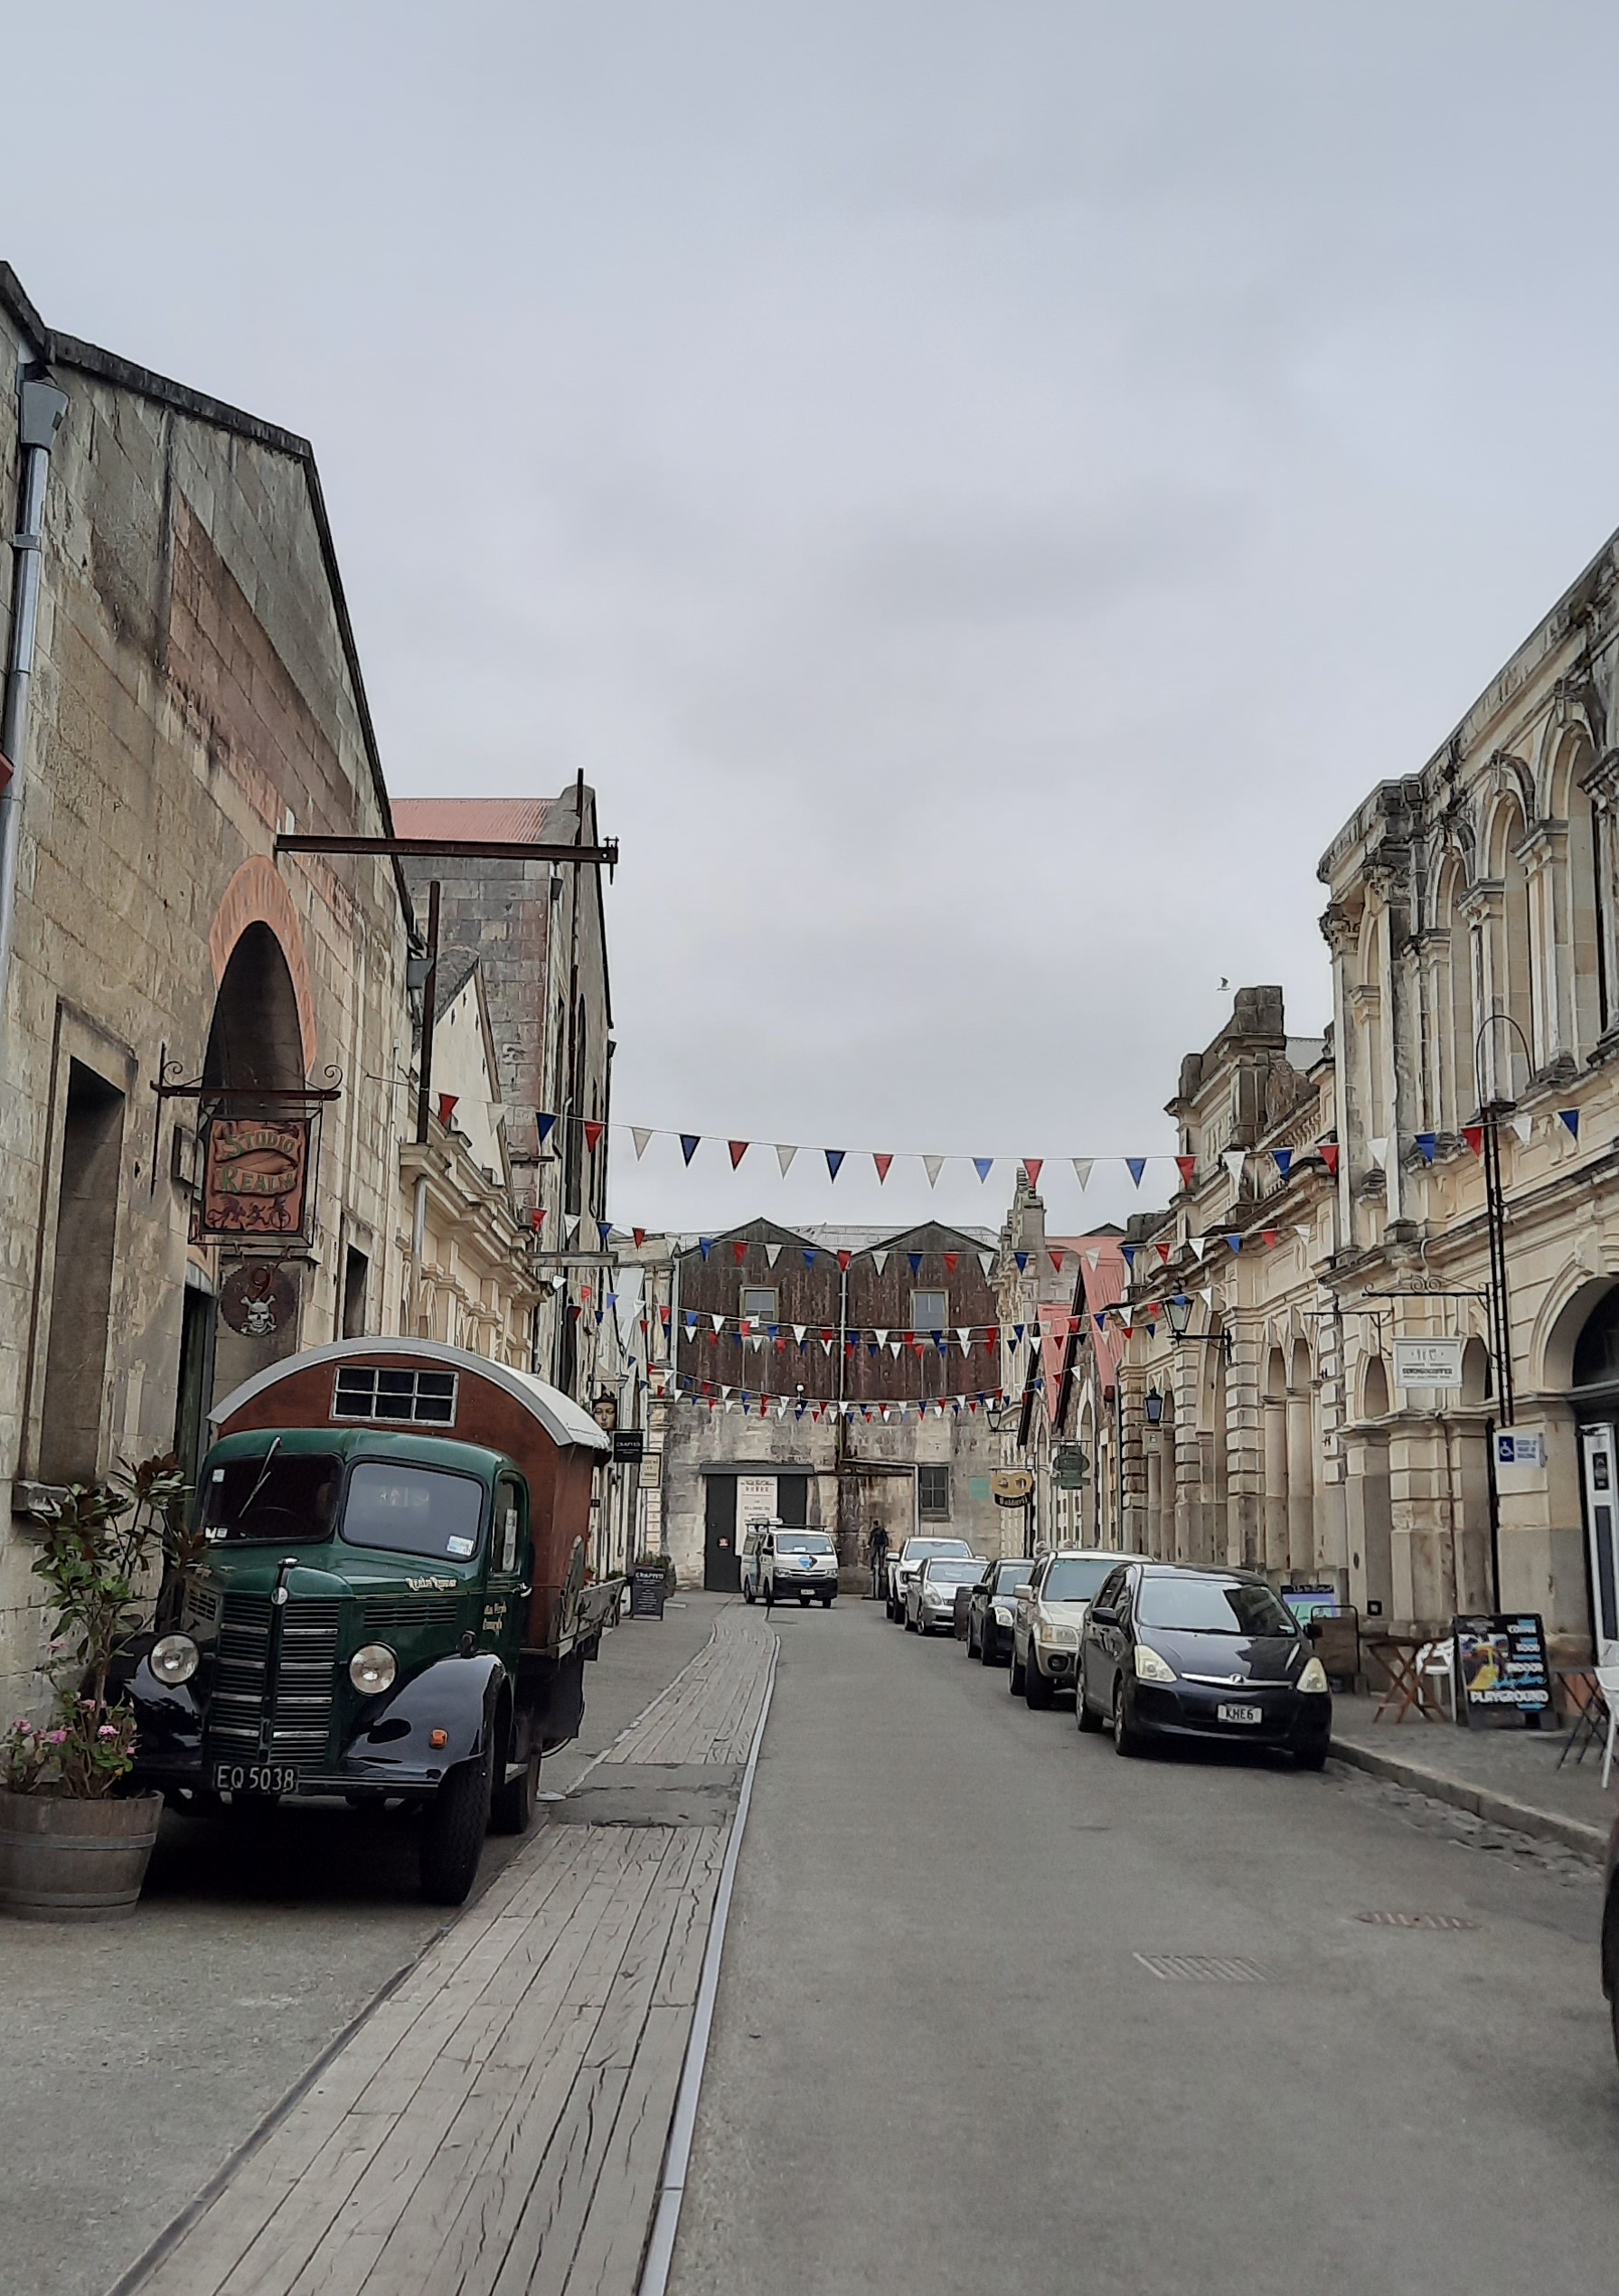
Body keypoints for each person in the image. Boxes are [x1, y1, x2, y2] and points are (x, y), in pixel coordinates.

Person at [868, 1520, 890, 1599]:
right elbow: (871, 1538)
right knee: (875, 1555)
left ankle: (878, 1567)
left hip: (880, 1545)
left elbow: (884, 1538)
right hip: (878, 1545)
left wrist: (886, 1544)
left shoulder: (879, 1531)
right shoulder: (875, 1531)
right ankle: (874, 1567)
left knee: (879, 1555)